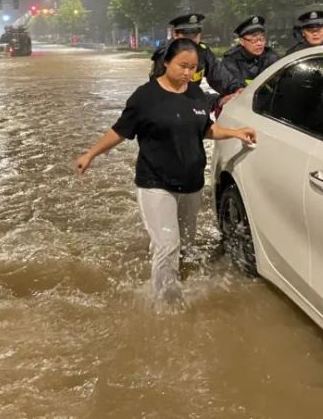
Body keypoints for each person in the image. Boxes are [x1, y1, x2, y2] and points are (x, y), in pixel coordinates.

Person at [74, 38, 256, 302]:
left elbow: (205, 129)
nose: (187, 73)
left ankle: (178, 283)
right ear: (166, 62)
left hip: (191, 184)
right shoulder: (145, 97)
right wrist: (90, 154)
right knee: (168, 245)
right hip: (156, 184)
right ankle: (166, 304)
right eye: (182, 66)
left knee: (186, 245)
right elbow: (119, 131)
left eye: (193, 68)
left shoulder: (195, 94)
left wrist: (235, 133)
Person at [150, 13, 244, 103]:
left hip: (193, 101)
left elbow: (219, 75)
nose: (191, 41)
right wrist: (215, 101)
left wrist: (237, 90)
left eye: (195, 35)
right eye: (186, 36)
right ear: (175, 34)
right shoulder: (165, 56)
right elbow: (174, 94)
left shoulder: (203, 51)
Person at [221, 15, 280, 86]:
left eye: (261, 39)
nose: (259, 43)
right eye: (254, 40)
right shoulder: (231, 60)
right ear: (242, 41)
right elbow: (233, 87)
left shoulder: (271, 56)